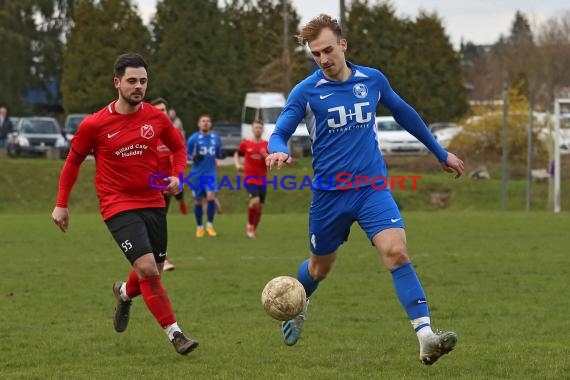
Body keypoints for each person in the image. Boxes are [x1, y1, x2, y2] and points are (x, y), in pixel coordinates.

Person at [265, 15, 464, 365]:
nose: (323, 59)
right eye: (315, 54)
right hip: (329, 196)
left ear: (343, 45)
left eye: (328, 49)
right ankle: (299, 305)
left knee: (396, 252)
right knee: (318, 270)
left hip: (372, 188)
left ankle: (425, 336)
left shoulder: (372, 79)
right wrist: (277, 147)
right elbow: (281, 129)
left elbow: (403, 112)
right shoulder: (306, 91)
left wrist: (439, 151)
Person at [50, 53, 199, 355]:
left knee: (151, 269)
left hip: (153, 201)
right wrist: (61, 204)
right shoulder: (95, 124)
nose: (138, 86)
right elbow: (73, 161)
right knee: (148, 269)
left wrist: (178, 177)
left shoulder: (156, 118)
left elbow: (178, 146)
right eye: (132, 81)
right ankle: (176, 334)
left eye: (143, 81)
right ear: (117, 83)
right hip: (117, 203)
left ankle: (123, 292)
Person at [150, 97, 188, 271]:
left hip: (166, 186)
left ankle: (158, 258)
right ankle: (160, 258)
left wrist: (178, 178)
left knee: (158, 222)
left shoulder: (174, 134)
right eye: (156, 110)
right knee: (155, 223)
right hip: (147, 187)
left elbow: (179, 154)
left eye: (163, 110)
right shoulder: (147, 133)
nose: (160, 113)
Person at [186, 114, 223, 237]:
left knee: (211, 196)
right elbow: (186, 155)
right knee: (198, 201)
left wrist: (222, 155)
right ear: (199, 124)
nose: (205, 123)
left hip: (211, 173)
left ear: (210, 124)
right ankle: (199, 227)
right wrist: (194, 158)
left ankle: (210, 225)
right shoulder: (193, 139)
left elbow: (218, 154)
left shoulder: (216, 139)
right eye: (203, 121)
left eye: (207, 121)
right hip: (197, 174)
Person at [233, 119, 268, 238]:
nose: (258, 129)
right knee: (255, 201)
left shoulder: (266, 145)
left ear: (262, 130)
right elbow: (237, 154)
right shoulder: (246, 144)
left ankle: (252, 229)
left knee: (260, 207)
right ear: (252, 130)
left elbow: (271, 163)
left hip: (262, 180)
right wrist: (238, 164)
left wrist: (266, 156)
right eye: (256, 127)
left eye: (260, 127)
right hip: (249, 178)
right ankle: (249, 225)